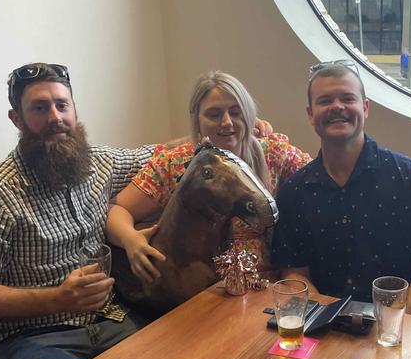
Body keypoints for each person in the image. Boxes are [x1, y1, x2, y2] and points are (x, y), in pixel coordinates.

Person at [0, 62, 155, 359]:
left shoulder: (100, 162)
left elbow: (164, 157)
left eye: (62, 105)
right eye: (40, 108)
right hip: (28, 339)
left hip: (109, 319)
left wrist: (232, 129)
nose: (55, 117)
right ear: (17, 119)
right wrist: (59, 298)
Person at [271, 61, 411, 315]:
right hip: (326, 328)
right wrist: (329, 317)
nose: (337, 106)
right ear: (310, 114)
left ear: (365, 108)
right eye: (325, 101)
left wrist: (391, 322)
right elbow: (294, 272)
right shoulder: (294, 192)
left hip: (405, 325)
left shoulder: (410, 177)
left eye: (347, 98)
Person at [105, 71, 311, 282]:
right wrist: (130, 239)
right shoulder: (175, 163)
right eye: (214, 114)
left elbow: (317, 178)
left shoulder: (274, 153)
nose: (227, 122)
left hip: (268, 287)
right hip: (201, 291)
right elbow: (117, 208)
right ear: (197, 119)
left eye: (236, 112)